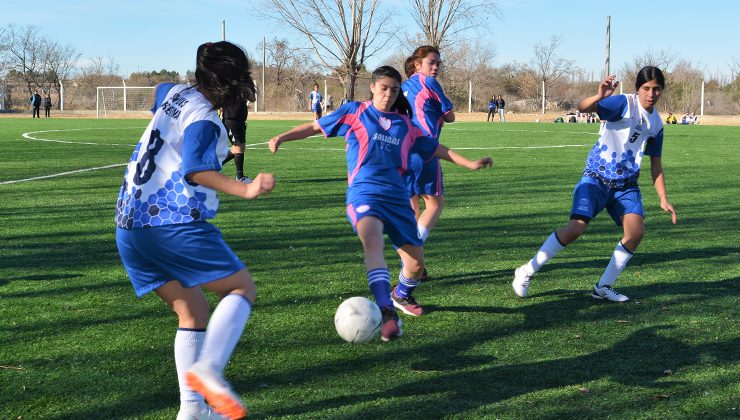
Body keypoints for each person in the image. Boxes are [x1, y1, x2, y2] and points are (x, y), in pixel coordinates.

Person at [268, 66, 491, 340]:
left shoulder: (405, 126)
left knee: (415, 266)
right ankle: (387, 311)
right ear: (373, 87)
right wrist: (282, 137)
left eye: (394, 90)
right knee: (374, 243)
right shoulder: (355, 112)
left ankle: (400, 294)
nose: (388, 94)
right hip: (365, 194)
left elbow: (435, 148)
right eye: (384, 88)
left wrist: (468, 163)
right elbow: (314, 127)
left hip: (397, 200)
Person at [115, 41, 275, 420]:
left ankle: (191, 411)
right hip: (169, 222)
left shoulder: (174, 92)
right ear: (231, 81)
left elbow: (161, 91)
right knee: (240, 287)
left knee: (192, 308)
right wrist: (246, 188)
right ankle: (208, 370)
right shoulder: (204, 119)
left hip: (129, 226)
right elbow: (196, 171)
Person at [512, 66, 677, 303]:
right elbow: (582, 107)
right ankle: (526, 270)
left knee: (635, 233)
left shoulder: (656, 124)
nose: (651, 94)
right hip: (596, 178)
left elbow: (656, 165)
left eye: (657, 89)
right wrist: (599, 96)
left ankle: (603, 287)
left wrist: (663, 198)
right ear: (637, 88)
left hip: (626, 185)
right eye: (646, 88)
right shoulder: (623, 103)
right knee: (575, 229)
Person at [401, 45, 455, 289]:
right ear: (417, 64)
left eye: (438, 64)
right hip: (423, 151)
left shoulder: (402, 87)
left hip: (400, 152)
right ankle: (413, 257)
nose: (435, 68)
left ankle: (417, 268)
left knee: (413, 211)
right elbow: (451, 115)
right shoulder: (428, 83)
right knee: (435, 203)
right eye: (431, 62)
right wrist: (442, 115)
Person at [222, 88, 255, 184]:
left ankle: (213, 166)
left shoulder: (243, 87)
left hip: (240, 122)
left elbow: (253, 99)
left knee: (236, 149)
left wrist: (248, 91)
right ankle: (240, 177)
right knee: (239, 147)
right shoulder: (227, 87)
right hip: (231, 121)